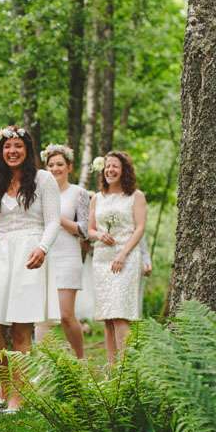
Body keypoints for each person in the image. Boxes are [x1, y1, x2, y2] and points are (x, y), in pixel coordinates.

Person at [0, 126, 60, 413]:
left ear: (27, 150)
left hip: (30, 253)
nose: (12, 151)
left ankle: (18, 395)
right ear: (1, 151)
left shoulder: (43, 179)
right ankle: (4, 383)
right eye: (7, 147)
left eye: (18, 146)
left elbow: (53, 221)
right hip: (1, 253)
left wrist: (43, 248)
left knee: (22, 329)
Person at [87, 151, 148, 365]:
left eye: (115, 166)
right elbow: (90, 229)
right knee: (108, 317)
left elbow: (140, 228)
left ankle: (126, 368)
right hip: (102, 259)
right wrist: (99, 235)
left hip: (126, 257)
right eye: (107, 166)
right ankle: (112, 370)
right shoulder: (97, 198)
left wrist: (123, 254)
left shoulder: (135, 196)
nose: (110, 170)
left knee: (120, 313)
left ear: (124, 171)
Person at [35, 144, 88, 359]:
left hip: (68, 257)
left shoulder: (79, 193)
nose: (55, 168)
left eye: (59, 164)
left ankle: (80, 359)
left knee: (66, 315)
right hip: (43, 256)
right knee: (41, 316)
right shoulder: (38, 192)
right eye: (51, 165)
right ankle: (44, 365)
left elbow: (84, 230)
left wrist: (57, 218)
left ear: (69, 167)